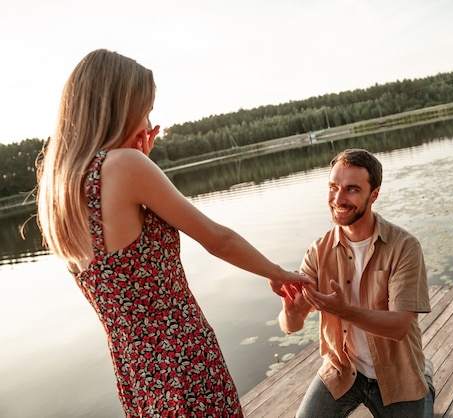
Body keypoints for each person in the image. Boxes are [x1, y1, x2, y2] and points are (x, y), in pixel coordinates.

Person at [36, 49, 312, 417]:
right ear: (119, 106)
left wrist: (141, 159)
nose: (150, 120)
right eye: (145, 109)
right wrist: (278, 274)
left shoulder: (60, 194)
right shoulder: (124, 166)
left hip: (138, 374)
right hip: (184, 361)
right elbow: (218, 239)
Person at [279, 148, 435, 417]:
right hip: (343, 370)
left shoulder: (404, 246)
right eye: (333, 187)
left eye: (351, 189)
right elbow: (290, 326)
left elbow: (399, 326)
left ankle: (426, 384)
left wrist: (345, 311)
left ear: (374, 194)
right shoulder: (318, 251)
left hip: (398, 374)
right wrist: (291, 311)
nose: (338, 198)